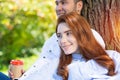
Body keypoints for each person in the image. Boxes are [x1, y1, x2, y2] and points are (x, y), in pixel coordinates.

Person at [9, 0, 105, 79]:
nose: (58, 8)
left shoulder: (91, 37)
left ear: (79, 5)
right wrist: (28, 74)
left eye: (63, 3)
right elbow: (44, 68)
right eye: (57, 3)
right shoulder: (52, 39)